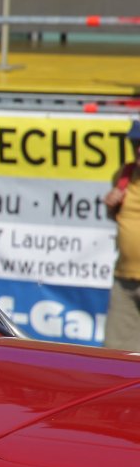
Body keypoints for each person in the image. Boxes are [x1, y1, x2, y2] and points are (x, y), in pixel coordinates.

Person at [103, 119, 140, 350]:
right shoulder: (124, 175)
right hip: (125, 278)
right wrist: (111, 206)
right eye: (135, 143)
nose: (139, 150)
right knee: (116, 353)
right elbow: (119, 219)